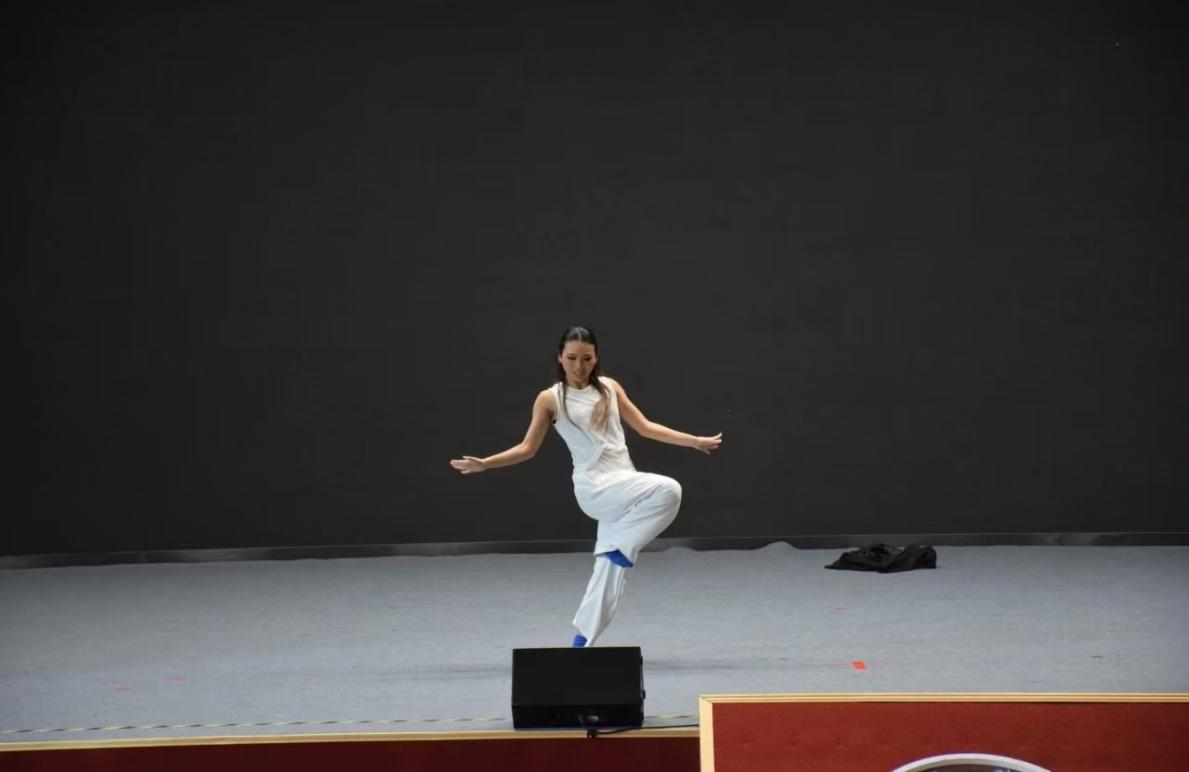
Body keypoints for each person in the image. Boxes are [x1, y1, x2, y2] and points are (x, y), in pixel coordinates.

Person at [450, 325, 723, 647]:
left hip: (624, 482)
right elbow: (527, 448)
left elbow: (646, 427)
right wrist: (486, 463)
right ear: (559, 358)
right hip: (595, 488)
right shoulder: (550, 399)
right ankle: (622, 548)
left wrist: (694, 441)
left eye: (586, 358)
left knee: (611, 569)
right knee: (669, 490)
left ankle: (583, 638)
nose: (579, 366)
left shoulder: (610, 388)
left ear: (596, 358)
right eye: (571, 358)